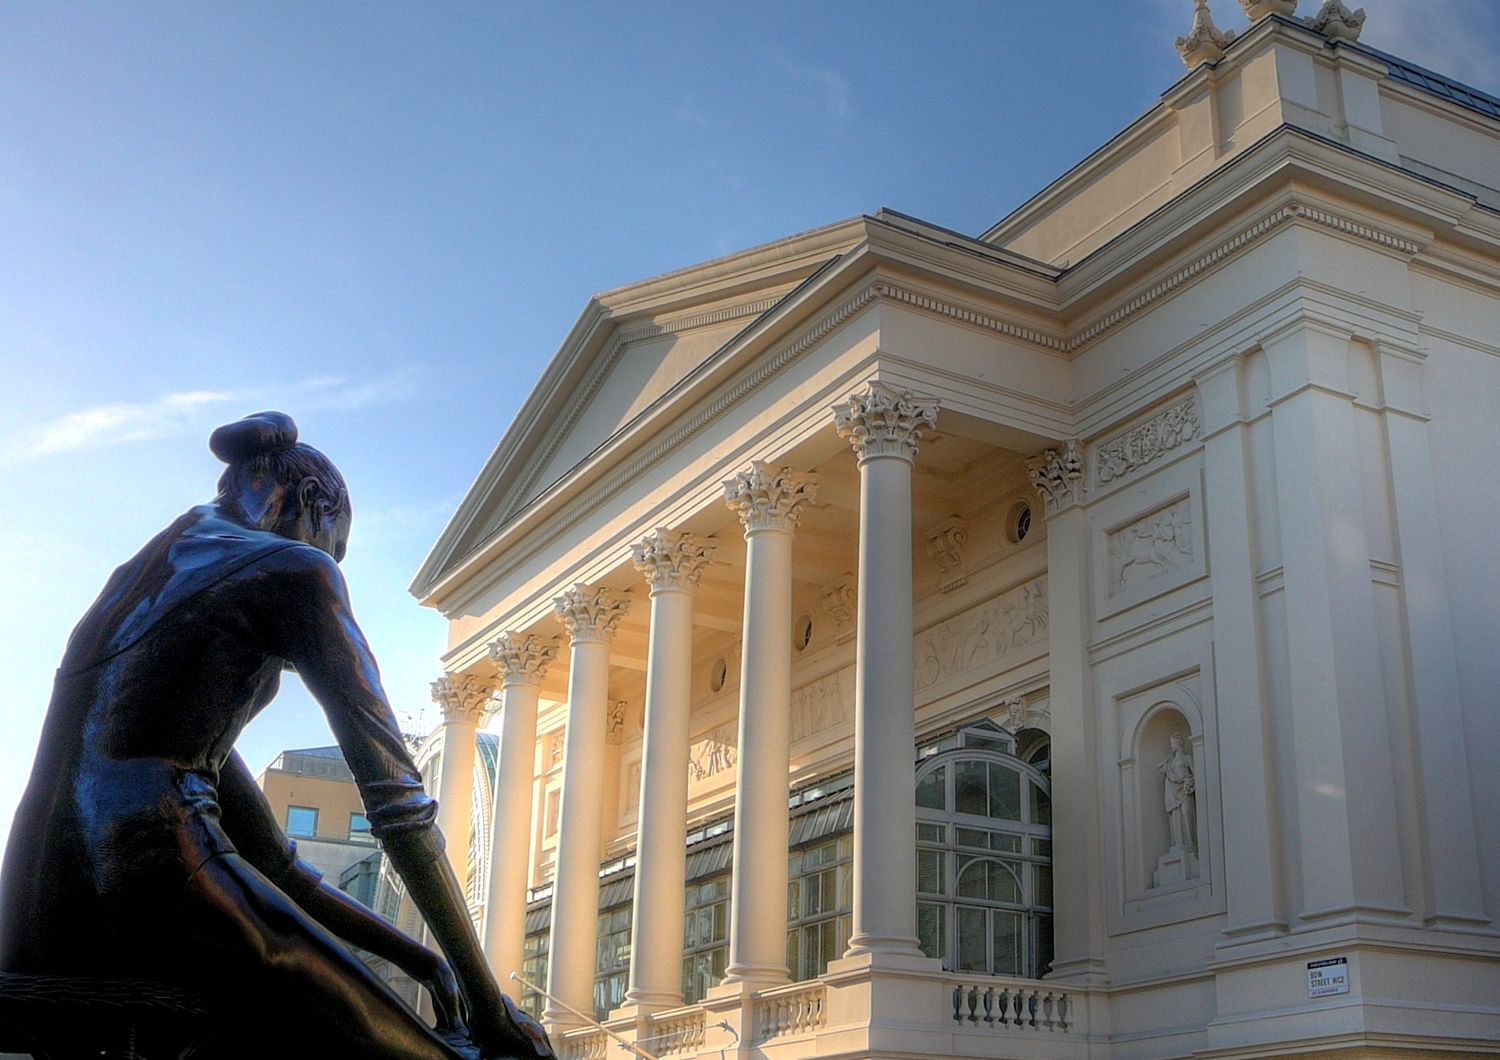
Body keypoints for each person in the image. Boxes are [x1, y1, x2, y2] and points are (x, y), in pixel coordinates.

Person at [0, 412, 551, 1060]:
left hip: (34, 893)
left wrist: (422, 958)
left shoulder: (137, 582)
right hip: (147, 873)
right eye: (335, 546)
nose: (331, 563)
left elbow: (273, 861)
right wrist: (491, 1007)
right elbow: (399, 806)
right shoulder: (293, 571)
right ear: (316, 508)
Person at [1157, 731, 1197, 850]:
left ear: (1179, 744)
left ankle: (1191, 843)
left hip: (1184, 789)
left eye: (1173, 743)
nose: (1171, 746)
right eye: (1170, 744)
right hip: (1173, 791)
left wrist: (1190, 783)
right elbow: (1159, 767)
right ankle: (1179, 843)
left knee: (1186, 813)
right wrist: (1167, 759)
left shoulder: (1187, 758)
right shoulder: (1170, 761)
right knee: (1176, 817)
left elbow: (1195, 774)